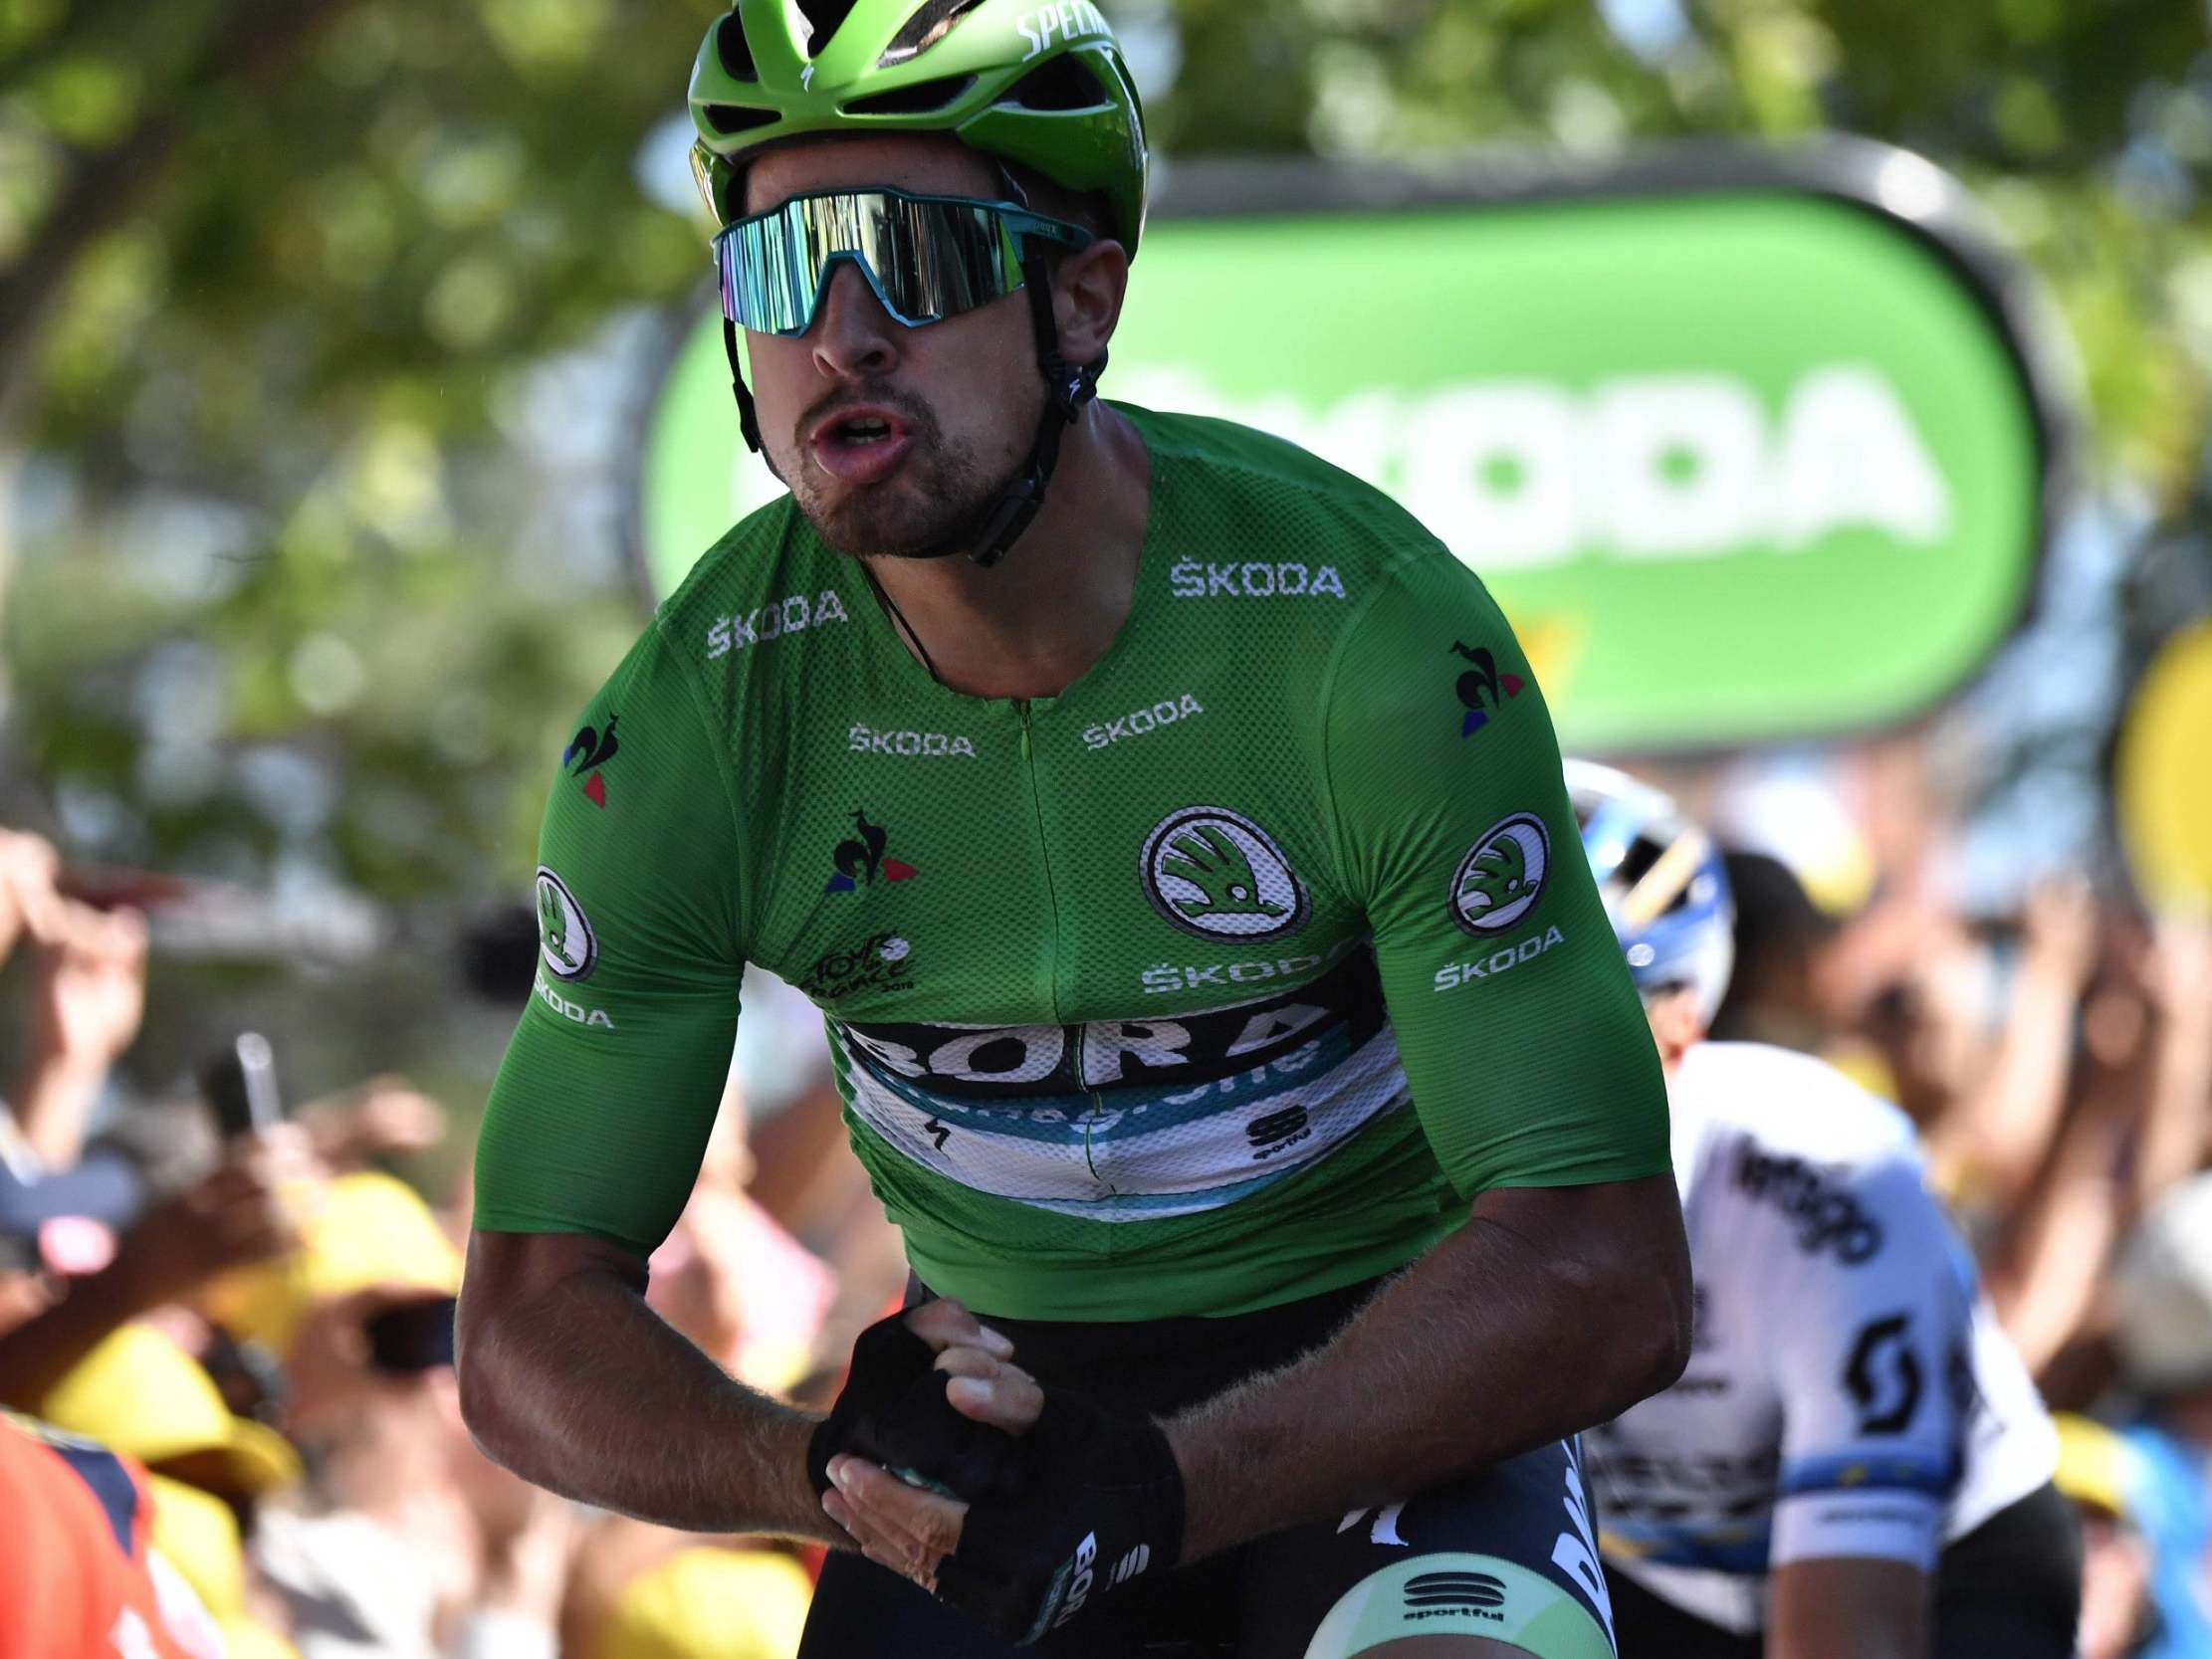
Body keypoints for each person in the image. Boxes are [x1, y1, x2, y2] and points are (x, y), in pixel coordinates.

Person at [456, 3, 1690, 1655]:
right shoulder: (689, 728)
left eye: (912, 255)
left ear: (1080, 295)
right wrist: (812, 1464)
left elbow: (1602, 1265)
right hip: (999, 1412)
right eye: (777, 269)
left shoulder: (1363, 642)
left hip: (1386, 1370)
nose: (842, 333)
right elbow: (525, 1325)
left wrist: (1166, 1487)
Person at [1562, 761, 2077, 1659]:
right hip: (1674, 1573)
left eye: (1566, 1025)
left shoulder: (1823, 1171)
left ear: (1681, 1024)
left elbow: (1850, 1632)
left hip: (1955, 1557)